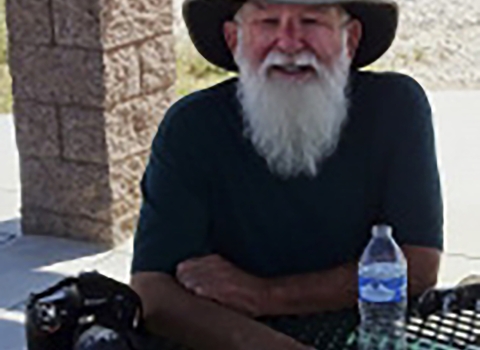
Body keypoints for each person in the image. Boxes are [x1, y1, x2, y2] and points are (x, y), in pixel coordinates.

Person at [130, 0, 444, 348]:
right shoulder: (191, 126)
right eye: (267, 21)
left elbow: (418, 266)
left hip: (368, 333)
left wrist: (266, 295)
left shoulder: (395, 107)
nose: (290, 43)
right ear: (234, 39)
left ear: (350, 39)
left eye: (311, 20)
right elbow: (152, 290)